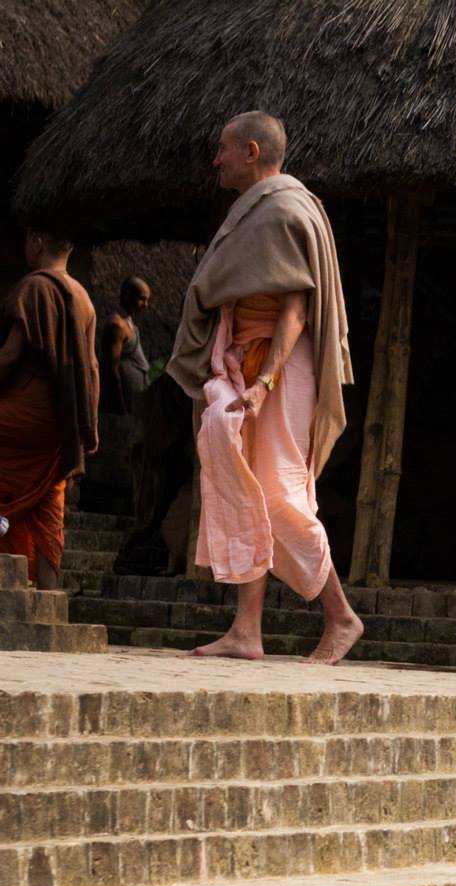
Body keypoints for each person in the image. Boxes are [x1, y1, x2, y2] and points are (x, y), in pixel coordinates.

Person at [168, 111, 361, 664]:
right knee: (240, 483)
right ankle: (246, 631)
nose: (216, 160)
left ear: (251, 151)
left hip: (278, 369)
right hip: (243, 363)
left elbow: (296, 306)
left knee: (279, 493)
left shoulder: (282, 208)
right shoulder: (255, 209)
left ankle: (341, 615)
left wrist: (265, 381)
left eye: (223, 149)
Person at [0, 228, 99, 589]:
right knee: (47, 508)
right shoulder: (84, 298)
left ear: (38, 242)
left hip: (22, 416)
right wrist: (89, 430)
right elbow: (92, 370)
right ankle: (48, 602)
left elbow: (10, 356)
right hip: (61, 426)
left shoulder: (33, 286)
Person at [92, 276, 152, 498]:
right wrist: (120, 401)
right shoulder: (116, 326)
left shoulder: (130, 324)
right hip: (120, 403)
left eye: (147, 300)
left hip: (133, 400)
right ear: (127, 296)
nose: (145, 305)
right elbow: (111, 368)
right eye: (141, 299)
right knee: (115, 450)